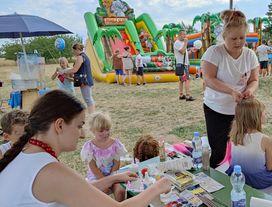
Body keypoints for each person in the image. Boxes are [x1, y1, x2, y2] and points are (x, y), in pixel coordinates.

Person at [0, 90, 172, 207]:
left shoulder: (26, 154)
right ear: (59, 125)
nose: (82, 134)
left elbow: (79, 190)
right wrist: (158, 186)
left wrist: (113, 178)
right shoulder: (49, 170)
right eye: (79, 125)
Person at [201, 9, 259, 168]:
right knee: (218, 151)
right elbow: (209, 79)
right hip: (216, 108)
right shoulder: (214, 52)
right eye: (233, 38)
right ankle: (214, 180)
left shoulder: (250, 55)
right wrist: (231, 91)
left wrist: (250, 91)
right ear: (224, 36)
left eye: (242, 37)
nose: (238, 42)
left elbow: (254, 80)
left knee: (240, 148)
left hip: (241, 110)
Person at [224, 98, 272, 189]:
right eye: (264, 113)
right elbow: (269, 168)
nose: (266, 115)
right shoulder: (265, 139)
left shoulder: (234, 135)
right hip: (256, 181)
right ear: (257, 117)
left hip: (236, 175)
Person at [81, 112, 128, 201]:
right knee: (101, 191)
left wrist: (111, 179)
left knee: (120, 190)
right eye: (101, 131)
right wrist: (105, 182)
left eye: (107, 129)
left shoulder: (115, 144)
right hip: (97, 177)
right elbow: (93, 168)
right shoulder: (90, 147)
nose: (105, 133)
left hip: (112, 173)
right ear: (92, 130)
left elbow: (116, 163)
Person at [63, 43, 95, 113]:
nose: (73, 52)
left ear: (77, 49)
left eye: (74, 50)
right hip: (86, 79)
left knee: (88, 99)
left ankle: (92, 115)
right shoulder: (84, 56)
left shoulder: (80, 57)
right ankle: (92, 114)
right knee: (88, 98)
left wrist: (64, 71)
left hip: (84, 80)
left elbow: (75, 69)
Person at [174, 29, 195, 101]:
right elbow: (182, 52)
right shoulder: (177, 43)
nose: (185, 36)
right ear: (179, 35)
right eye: (184, 34)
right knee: (187, 79)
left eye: (185, 34)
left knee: (182, 80)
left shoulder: (182, 43)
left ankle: (181, 95)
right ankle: (188, 96)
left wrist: (191, 51)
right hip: (182, 65)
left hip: (185, 64)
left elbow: (185, 54)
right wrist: (186, 43)